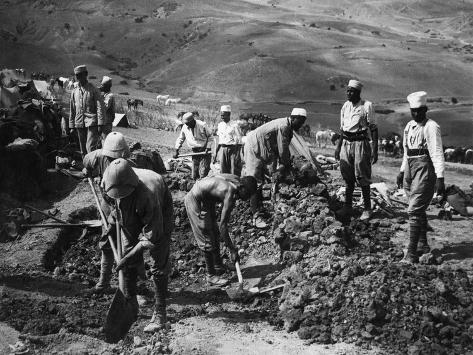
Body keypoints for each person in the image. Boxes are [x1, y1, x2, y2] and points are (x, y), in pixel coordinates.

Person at [102, 158, 173, 332]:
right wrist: (111, 225)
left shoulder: (148, 194)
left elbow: (150, 238)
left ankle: (160, 312)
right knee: (127, 251)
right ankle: (131, 301)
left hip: (160, 207)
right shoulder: (107, 183)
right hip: (131, 206)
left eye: (122, 193)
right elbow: (114, 207)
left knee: (159, 257)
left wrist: (127, 258)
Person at [396, 91, 445, 264]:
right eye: (413, 111)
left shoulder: (431, 126)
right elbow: (406, 151)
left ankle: (411, 253)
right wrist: (402, 171)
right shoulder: (409, 126)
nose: (416, 114)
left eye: (419, 111)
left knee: (414, 209)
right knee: (415, 206)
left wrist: (440, 178)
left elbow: (437, 152)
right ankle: (423, 244)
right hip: (410, 166)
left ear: (425, 109)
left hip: (425, 167)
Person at [184, 174, 257, 285]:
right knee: (206, 236)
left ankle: (218, 265)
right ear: (241, 187)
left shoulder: (237, 180)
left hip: (207, 199)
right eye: (247, 194)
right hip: (195, 200)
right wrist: (232, 250)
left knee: (215, 232)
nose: (247, 198)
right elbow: (223, 226)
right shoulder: (229, 193)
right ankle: (211, 276)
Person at [82, 132, 130, 293]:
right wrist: (87, 170)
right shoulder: (97, 156)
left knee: (127, 244)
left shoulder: (130, 165)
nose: (113, 159)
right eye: (110, 155)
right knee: (107, 242)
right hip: (107, 202)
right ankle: (103, 283)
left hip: (126, 205)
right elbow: (86, 161)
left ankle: (131, 286)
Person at [243, 108, 307, 224]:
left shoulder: (288, 128)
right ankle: (255, 215)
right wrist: (286, 166)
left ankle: (260, 207)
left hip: (264, 150)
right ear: (293, 118)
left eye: (303, 122)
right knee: (253, 181)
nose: (301, 125)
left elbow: (282, 149)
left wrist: (283, 166)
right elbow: (283, 151)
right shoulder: (284, 126)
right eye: (300, 121)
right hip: (254, 148)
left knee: (264, 179)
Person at [335, 79, 378, 221]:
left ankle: (367, 208)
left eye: (352, 91)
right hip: (346, 142)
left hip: (360, 143)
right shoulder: (345, 106)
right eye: (347, 90)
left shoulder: (366, 106)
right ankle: (348, 206)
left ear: (358, 92)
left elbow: (373, 128)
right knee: (347, 175)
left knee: (362, 176)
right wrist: (338, 147)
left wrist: (375, 149)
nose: (349, 93)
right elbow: (342, 129)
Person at [69, 65, 105, 155]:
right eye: (77, 75)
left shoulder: (93, 90)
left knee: (90, 147)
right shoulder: (74, 91)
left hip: (92, 122)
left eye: (80, 75)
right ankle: (86, 168)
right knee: (82, 150)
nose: (78, 77)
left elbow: (100, 107)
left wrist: (100, 123)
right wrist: (71, 125)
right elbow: (72, 109)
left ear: (86, 74)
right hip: (79, 122)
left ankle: (92, 168)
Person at [173, 112, 213, 179]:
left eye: (188, 123)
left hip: (204, 151)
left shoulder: (202, 125)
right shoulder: (185, 127)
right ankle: (195, 185)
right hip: (194, 151)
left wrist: (208, 147)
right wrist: (176, 150)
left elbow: (210, 137)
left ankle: (203, 186)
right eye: (186, 124)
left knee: (203, 173)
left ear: (192, 120)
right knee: (194, 173)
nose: (187, 125)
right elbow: (181, 138)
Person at [214, 105, 242, 175]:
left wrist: (237, 154)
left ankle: (235, 184)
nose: (222, 117)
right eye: (221, 115)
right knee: (223, 170)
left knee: (234, 170)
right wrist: (216, 152)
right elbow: (219, 141)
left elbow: (239, 141)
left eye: (224, 115)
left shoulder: (235, 125)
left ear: (229, 115)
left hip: (233, 149)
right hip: (223, 149)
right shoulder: (220, 125)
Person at [99, 76, 115, 144]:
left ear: (107, 86)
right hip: (103, 121)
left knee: (105, 141)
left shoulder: (109, 96)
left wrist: (98, 98)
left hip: (106, 122)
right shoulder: (105, 95)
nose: (100, 86)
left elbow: (104, 108)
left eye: (102, 85)